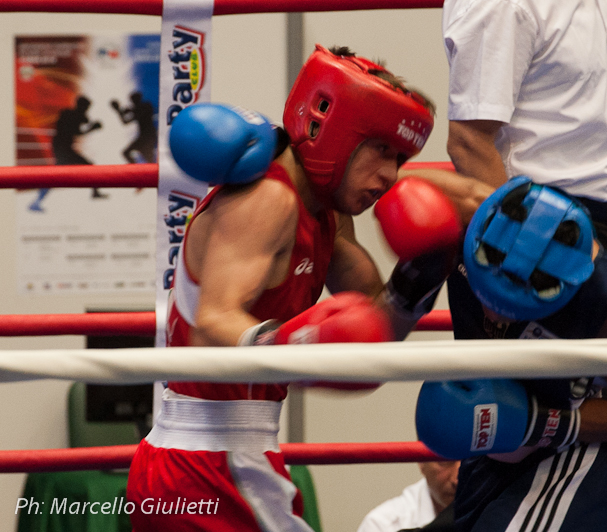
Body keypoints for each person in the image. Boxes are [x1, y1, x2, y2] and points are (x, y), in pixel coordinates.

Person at [126, 45, 471, 532]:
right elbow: (215, 320)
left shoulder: (328, 215)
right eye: (381, 151)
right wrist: (291, 344)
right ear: (328, 128)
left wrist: (422, 273)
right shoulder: (267, 199)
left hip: (225, 458)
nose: (391, 176)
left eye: (400, 158)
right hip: (207, 462)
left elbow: (375, 326)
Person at [415, 177, 607, 532]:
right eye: (487, 295)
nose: (494, 316)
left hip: (572, 453)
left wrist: (538, 421)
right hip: (491, 443)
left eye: (514, 307)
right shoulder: (457, 222)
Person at [441, 0, 607, 275]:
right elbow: (468, 141)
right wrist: (527, 245)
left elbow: (579, 105)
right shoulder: (503, 4)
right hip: (531, 228)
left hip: (597, 224)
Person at [30, 95, 105, 212]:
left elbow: (76, 128)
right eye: (86, 107)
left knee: (60, 173)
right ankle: (36, 202)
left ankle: (95, 192)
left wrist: (88, 124)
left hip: (62, 147)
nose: (86, 110)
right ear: (81, 106)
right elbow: (76, 131)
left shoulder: (72, 114)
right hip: (62, 148)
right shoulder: (72, 115)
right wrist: (92, 128)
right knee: (56, 175)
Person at [358, 461, 460, 532]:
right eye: (445, 461)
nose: (457, 480)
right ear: (422, 462)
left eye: (469, 461)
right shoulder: (382, 525)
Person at [111, 91, 157, 164]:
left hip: (148, 137)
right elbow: (125, 121)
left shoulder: (145, 106)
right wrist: (118, 111)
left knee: (147, 157)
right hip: (144, 137)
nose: (132, 103)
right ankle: (137, 170)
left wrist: (120, 111)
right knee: (147, 158)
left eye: (133, 101)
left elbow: (129, 119)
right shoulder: (138, 108)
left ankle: (137, 170)